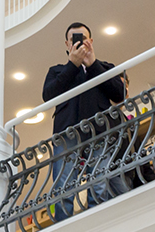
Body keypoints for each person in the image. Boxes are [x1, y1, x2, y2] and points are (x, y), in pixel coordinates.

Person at [43, 22, 127, 220]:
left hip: (99, 131)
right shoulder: (57, 71)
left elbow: (119, 93)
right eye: (74, 39)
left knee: (99, 183)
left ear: (91, 41)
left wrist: (93, 64)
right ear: (67, 44)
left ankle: (97, 222)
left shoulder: (104, 67)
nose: (79, 42)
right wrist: (72, 65)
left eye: (83, 38)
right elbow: (49, 95)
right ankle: (63, 229)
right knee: (63, 185)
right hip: (67, 133)